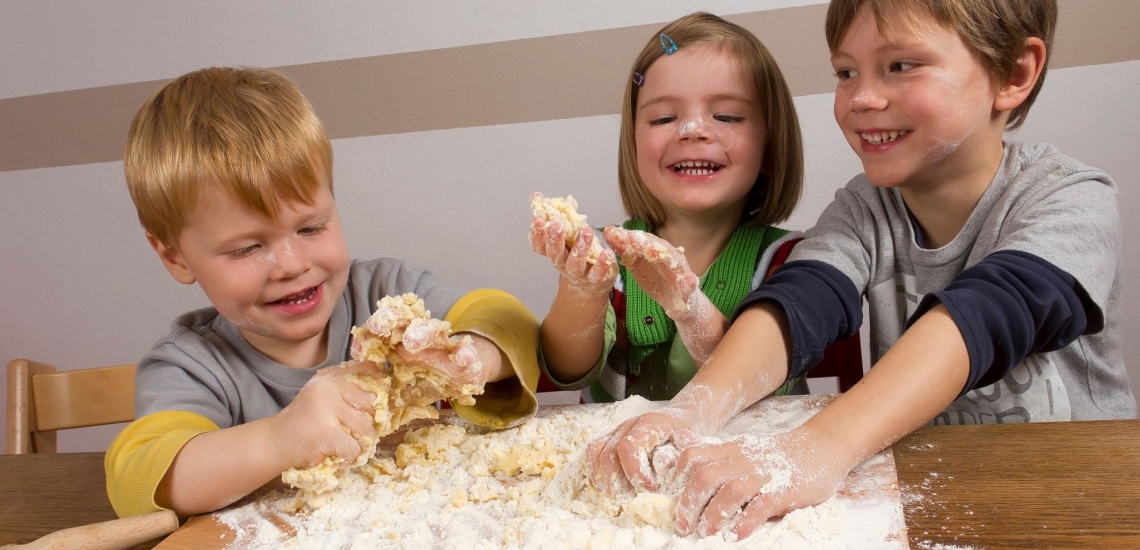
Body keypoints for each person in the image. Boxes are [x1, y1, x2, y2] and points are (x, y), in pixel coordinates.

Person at [587, 0, 1135, 540]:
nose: (862, 98)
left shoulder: (1069, 199)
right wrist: (692, 411)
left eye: (901, 65)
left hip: (1082, 492)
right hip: (929, 489)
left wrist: (818, 445)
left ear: (1012, 73)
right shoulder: (864, 209)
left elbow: (987, 315)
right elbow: (800, 302)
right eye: (846, 72)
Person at [105, 67, 539, 518]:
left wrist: (473, 358)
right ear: (175, 256)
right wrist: (278, 440)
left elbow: (510, 322)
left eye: (311, 227)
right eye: (247, 248)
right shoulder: (192, 366)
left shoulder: (385, 293)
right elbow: (139, 477)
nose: (292, 264)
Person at [531, 12, 809, 403]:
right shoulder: (603, 256)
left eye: (727, 115)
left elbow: (756, 382)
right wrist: (583, 290)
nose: (692, 129)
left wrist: (691, 309)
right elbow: (568, 370)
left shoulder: (793, 261)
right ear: (634, 147)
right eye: (664, 118)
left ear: (770, 146)